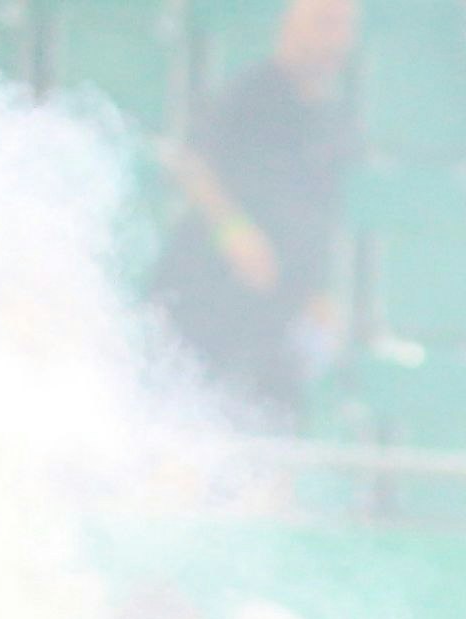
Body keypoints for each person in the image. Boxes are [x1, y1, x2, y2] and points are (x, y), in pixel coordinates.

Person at [146, 0, 360, 420]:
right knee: (190, 418)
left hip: (276, 312)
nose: (335, 40)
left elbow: (318, 219)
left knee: (270, 425)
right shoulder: (251, 92)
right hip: (208, 297)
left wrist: (317, 291)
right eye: (324, 24)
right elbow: (192, 162)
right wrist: (234, 231)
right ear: (290, 29)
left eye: (342, 27)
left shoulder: (332, 121)